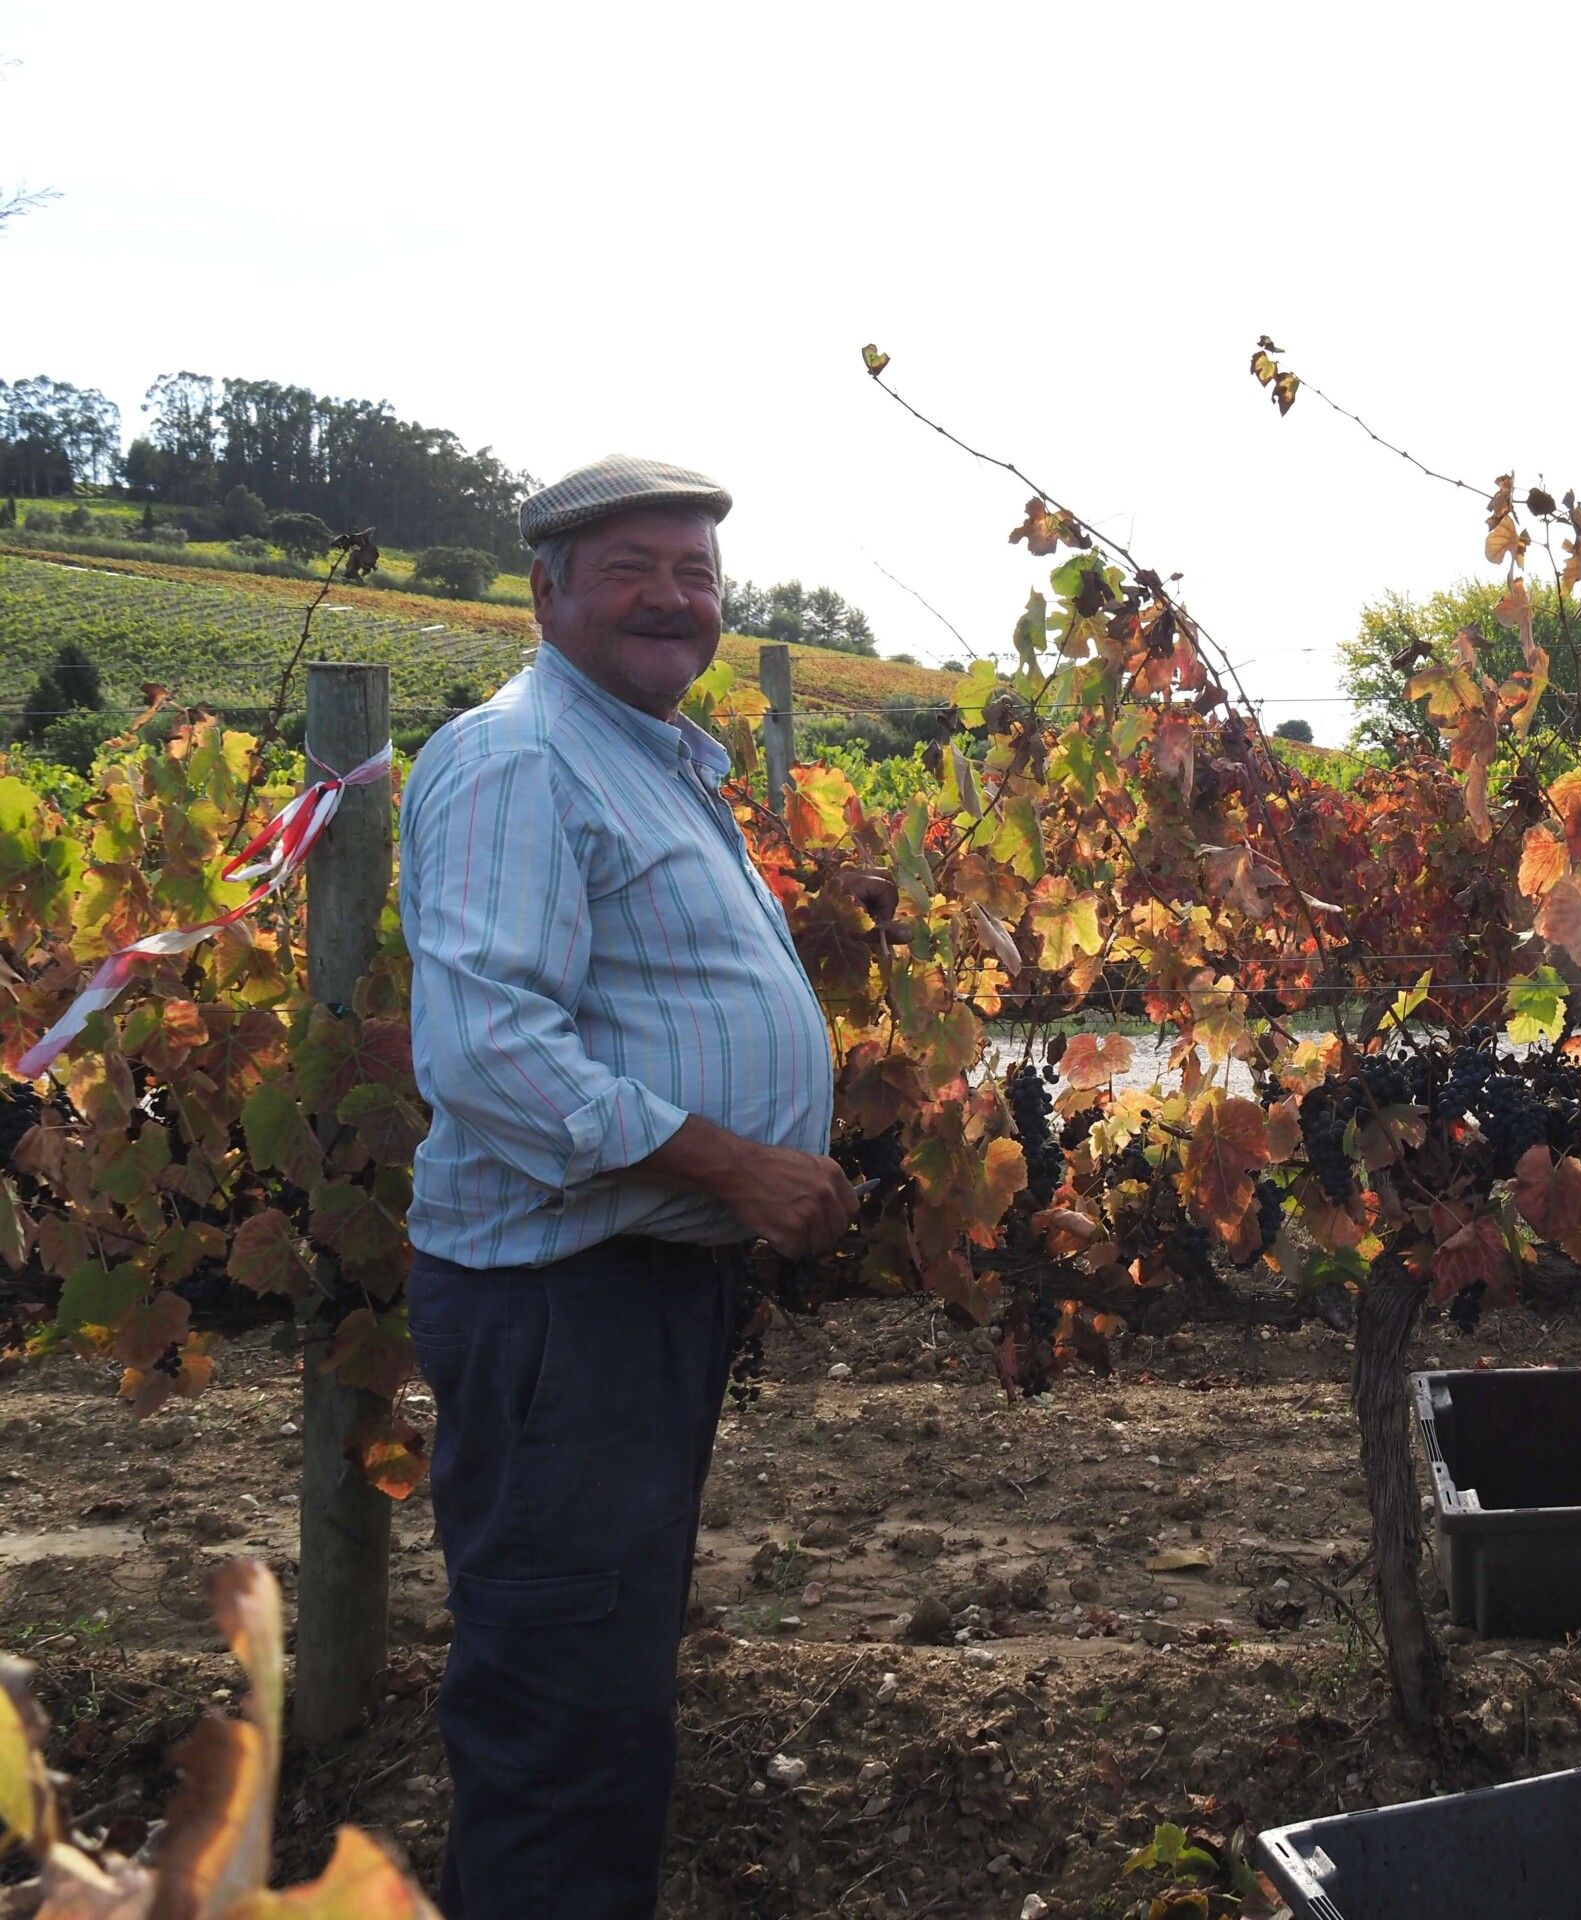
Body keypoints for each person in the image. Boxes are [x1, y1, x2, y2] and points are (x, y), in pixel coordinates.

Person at [401, 456, 870, 1919]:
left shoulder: (642, 754)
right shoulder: (518, 759)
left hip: (628, 1298)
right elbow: (490, 1052)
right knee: (564, 1709)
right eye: (633, 567)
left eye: (698, 571)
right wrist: (732, 1161)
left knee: (598, 1687)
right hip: (560, 1310)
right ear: (546, 593)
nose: (676, 595)